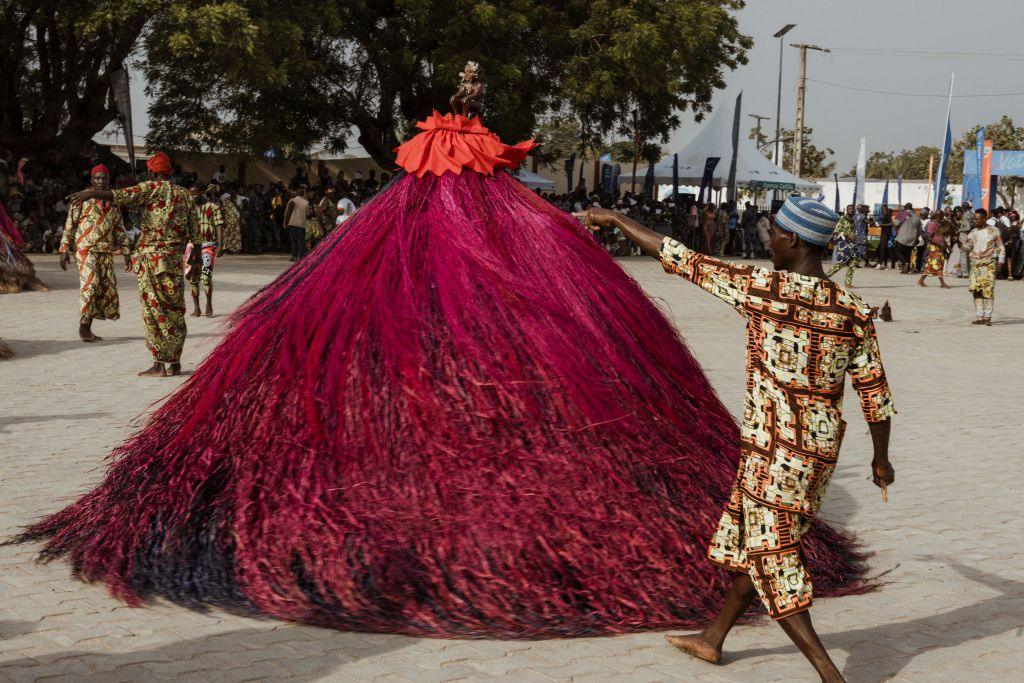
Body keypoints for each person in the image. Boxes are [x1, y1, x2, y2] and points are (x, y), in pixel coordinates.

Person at [17, 64, 873, 641]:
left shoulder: (765, 290)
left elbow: (692, 268)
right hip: (796, 447)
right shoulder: (827, 305)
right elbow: (865, 383)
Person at [580, 195, 895, 683]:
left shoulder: (766, 289)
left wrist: (616, 218)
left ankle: (830, 674)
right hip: (818, 451)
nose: (769, 244)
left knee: (771, 552)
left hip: (776, 450)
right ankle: (712, 640)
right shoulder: (852, 308)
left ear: (792, 240)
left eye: (774, 237)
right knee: (757, 538)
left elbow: (681, 258)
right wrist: (881, 460)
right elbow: (875, 391)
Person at [69, 151, 199, 377]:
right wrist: (195, 259)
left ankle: (159, 364)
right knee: (175, 309)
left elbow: (119, 195)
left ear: (151, 171)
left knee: (154, 310)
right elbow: (195, 232)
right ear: (169, 171)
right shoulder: (184, 194)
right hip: (174, 259)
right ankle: (175, 363)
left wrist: (91, 193)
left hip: (150, 259)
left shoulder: (150, 188)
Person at [59, 164, 132, 342]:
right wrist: (64, 249)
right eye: (97, 178)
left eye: (104, 178)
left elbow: (119, 228)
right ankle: (83, 326)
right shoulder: (81, 199)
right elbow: (70, 224)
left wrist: (127, 251)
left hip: (105, 251)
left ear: (109, 180)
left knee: (101, 289)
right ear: (92, 180)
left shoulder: (113, 200)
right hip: (86, 249)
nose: (101, 181)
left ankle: (88, 327)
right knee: (90, 285)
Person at [962, 210, 1005, 325]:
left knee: (988, 291)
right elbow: (967, 246)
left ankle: (988, 317)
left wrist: (1000, 262)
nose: (974, 221)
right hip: (975, 265)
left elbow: (1001, 247)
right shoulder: (973, 232)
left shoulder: (994, 231)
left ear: (984, 218)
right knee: (975, 290)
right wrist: (962, 243)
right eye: (974, 219)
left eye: (977, 219)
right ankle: (979, 316)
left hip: (989, 264)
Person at [189, 184, 223, 317]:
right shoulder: (188, 210)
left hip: (207, 244)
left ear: (201, 193)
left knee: (206, 276)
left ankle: (209, 305)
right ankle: (196, 308)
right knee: (192, 277)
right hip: (191, 246)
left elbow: (219, 225)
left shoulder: (213, 207)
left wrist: (220, 244)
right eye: (190, 194)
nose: (192, 197)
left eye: (195, 193)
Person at [918, 209, 951, 288]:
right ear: (937, 216)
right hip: (934, 247)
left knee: (933, 264)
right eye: (941, 216)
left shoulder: (939, 224)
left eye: (942, 216)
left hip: (940, 247)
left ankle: (921, 280)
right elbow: (929, 237)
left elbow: (941, 236)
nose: (942, 217)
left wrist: (947, 246)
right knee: (938, 263)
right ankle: (942, 283)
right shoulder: (932, 224)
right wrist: (939, 244)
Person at [828, 204, 859, 286]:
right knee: (840, 264)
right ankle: (825, 277)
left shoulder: (853, 220)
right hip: (844, 245)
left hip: (852, 245)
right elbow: (836, 232)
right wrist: (848, 235)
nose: (851, 210)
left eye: (853, 209)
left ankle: (848, 282)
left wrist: (854, 236)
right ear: (847, 210)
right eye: (850, 209)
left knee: (853, 263)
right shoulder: (842, 219)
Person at [284, 186, 310, 261]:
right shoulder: (306, 202)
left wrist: (286, 222)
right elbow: (308, 214)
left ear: (297, 193)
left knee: (293, 241)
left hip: (292, 223)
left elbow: (288, 212)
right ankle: (300, 256)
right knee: (301, 241)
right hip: (302, 224)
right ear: (302, 194)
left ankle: (294, 256)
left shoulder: (292, 200)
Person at [894, 202, 921, 274]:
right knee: (908, 253)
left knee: (898, 250)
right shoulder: (917, 217)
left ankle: (904, 262)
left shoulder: (903, 214)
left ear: (905, 207)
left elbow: (896, 223)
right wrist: (917, 238)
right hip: (913, 238)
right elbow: (920, 230)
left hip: (903, 237)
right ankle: (906, 269)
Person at [219, 186, 243, 254]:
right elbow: (223, 211)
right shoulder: (225, 202)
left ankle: (235, 249)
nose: (233, 195)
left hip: (236, 221)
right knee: (227, 235)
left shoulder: (237, 201)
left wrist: (235, 203)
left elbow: (240, 211)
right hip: (228, 221)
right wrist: (223, 220)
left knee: (236, 236)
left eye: (235, 194)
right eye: (232, 194)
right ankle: (227, 249)